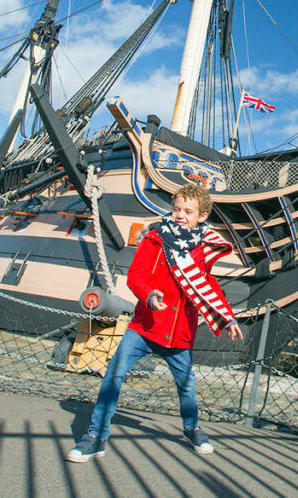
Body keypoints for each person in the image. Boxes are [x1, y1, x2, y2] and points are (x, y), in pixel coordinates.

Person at [65, 184, 243, 462]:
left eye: (188, 211)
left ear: (202, 216)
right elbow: (136, 275)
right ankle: (96, 435)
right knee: (114, 374)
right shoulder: (155, 238)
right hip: (145, 326)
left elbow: (208, 285)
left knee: (186, 385)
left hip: (178, 331)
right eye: (177, 209)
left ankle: (191, 428)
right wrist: (148, 295)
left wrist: (227, 316)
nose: (181, 215)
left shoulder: (203, 249)